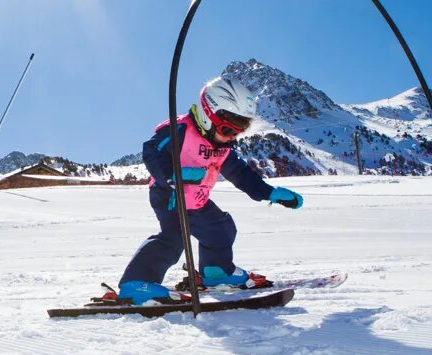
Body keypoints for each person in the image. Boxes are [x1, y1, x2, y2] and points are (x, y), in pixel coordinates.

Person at [117, 77, 304, 305]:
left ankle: (217, 272)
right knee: (174, 238)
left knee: (221, 229)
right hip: (170, 196)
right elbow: (151, 151)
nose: (231, 137)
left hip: (196, 199)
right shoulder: (180, 129)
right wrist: (170, 175)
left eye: (239, 131)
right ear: (208, 114)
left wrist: (269, 193)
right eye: (227, 129)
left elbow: (241, 175)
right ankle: (137, 283)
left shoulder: (222, 147)